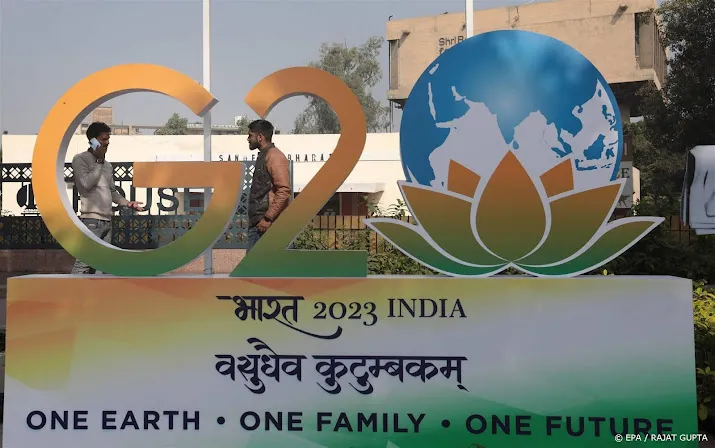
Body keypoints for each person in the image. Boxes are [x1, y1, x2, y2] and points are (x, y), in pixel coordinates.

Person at [70, 122, 144, 274]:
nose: (107, 143)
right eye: (103, 139)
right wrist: (98, 161)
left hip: (107, 222)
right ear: (93, 140)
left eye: (108, 139)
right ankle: (72, 289)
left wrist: (127, 203)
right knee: (83, 263)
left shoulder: (107, 165)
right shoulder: (80, 159)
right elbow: (85, 184)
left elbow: (112, 191)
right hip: (91, 221)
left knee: (103, 264)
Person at [246, 119, 291, 251]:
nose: (248, 139)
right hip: (260, 222)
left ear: (260, 137)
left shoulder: (274, 156)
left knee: (254, 263)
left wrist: (268, 218)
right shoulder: (265, 155)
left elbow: (284, 190)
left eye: (250, 135)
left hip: (267, 224)